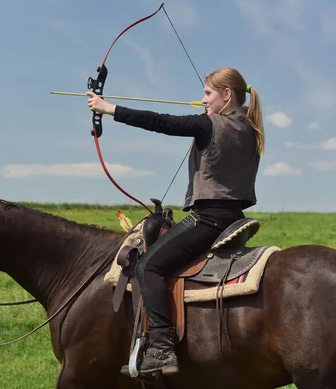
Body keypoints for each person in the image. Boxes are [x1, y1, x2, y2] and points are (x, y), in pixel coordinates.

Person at [86, 66, 264, 378]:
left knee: (148, 266)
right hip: (234, 218)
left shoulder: (210, 125)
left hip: (209, 219)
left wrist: (108, 108)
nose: (203, 99)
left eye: (208, 93)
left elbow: (160, 122)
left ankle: (160, 347)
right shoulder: (251, 128)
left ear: (226, 95)